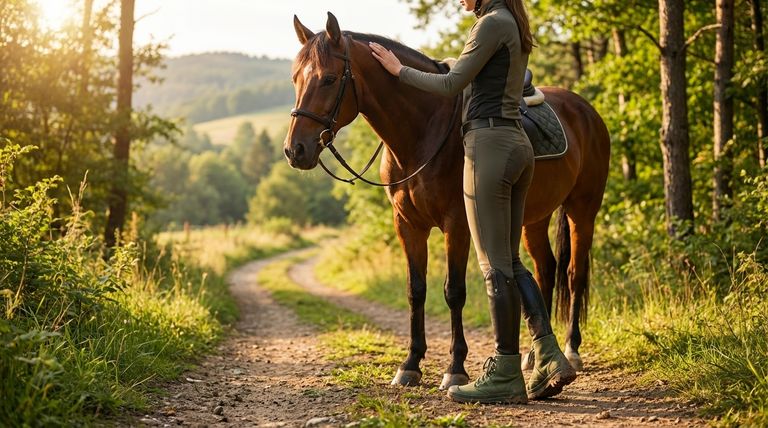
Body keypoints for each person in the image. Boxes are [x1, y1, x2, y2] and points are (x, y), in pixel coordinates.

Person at [370, 0, 576, 404]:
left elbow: (450, 86)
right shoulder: (511, 20)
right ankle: (549, 354)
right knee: (511, 260)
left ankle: (505, 372)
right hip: (516, 144)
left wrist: (399, 71)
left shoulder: (490, 24)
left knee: (492, 266)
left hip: (488, 147)